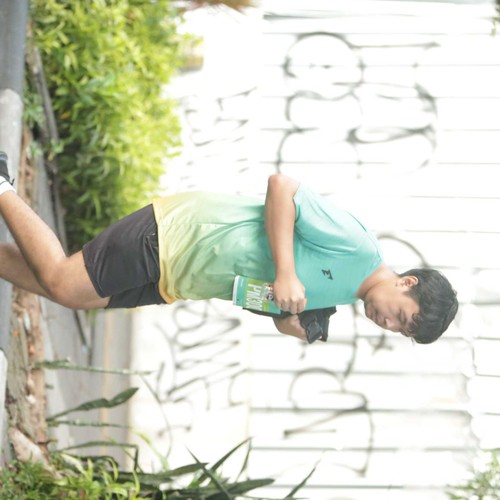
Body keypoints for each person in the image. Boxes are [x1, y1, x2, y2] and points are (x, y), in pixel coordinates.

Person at [0, 151, 458, 344]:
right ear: (406, 283)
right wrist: (286, 272)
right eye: (402, 316)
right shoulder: (359, 248)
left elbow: (270, 292)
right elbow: (282, 188)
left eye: (400, 330)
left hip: (181, 277)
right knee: (64, 282)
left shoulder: (344, 294)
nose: (389, 324)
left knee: (74, 295)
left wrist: (286, 322)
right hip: (185, 235)